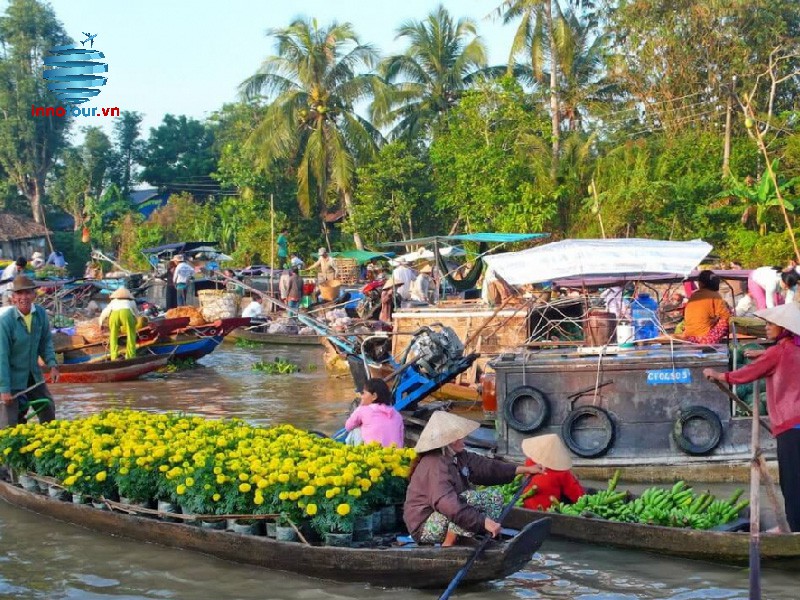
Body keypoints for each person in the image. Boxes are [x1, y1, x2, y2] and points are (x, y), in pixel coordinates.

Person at [703, 302, 800, 532]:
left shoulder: (779, 352)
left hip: (791, 423)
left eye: (771, 324)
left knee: (792, 481)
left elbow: (749, 373)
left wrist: (720, 374)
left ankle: (795, 529)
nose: (767, 328)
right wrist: (763, 354)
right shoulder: (792, 350)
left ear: (784, 329)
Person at [403, 411, 543, 546]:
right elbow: (447, 504)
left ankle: (470, 537)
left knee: (495, 497)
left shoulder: (459, 456)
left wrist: (524, 470)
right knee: (467, 498)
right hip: (425, 525)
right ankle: (449, 544)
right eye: (459, 436)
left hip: (446, 515)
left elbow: (487, 468)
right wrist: (483, 522)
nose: (463, 439)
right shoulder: (434, 464)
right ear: (449, 441)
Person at [0, 275, 58, 428]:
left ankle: (48, 441)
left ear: (34, 295)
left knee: (48, 408)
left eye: (27, 293)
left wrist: (52, 364)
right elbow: (2, 357)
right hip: (11, 378)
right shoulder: (6, 321)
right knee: (9, 422)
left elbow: (46, 342)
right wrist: (4, 389)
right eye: (19, 294)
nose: (23, 297)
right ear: (13, 298)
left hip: (33, 375)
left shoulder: (40, 314)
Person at [519, 434, 585, 511]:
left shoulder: (529, 462)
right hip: (548, 510)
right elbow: (578, 496)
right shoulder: (562, 473)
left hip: (524, 506)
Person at [343, 378, 404, 447]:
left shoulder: (363, 410)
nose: (362, 397)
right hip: (396, 455)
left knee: (355, 431)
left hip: (374, 454)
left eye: (364, 393)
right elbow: (401, 440)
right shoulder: (397, 414)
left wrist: (361, 406)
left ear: (374, 396)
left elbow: (348, 426)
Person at [679, 270, 731, 344]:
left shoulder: (694, 295)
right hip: (704, 337)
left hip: (689, 336)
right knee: (727, 320)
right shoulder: (715, 295)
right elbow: (726, 316)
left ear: (701, 283)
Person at [98, 287, 139, 360]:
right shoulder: (131, 301)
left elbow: (105, 312)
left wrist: (100, 323)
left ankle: (114, 357)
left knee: (113, 336)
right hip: (126, 313)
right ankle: (130, 356)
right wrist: (136, 321)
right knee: (131, 335)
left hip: (114, 314)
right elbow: (136, 313)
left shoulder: (113, 301)